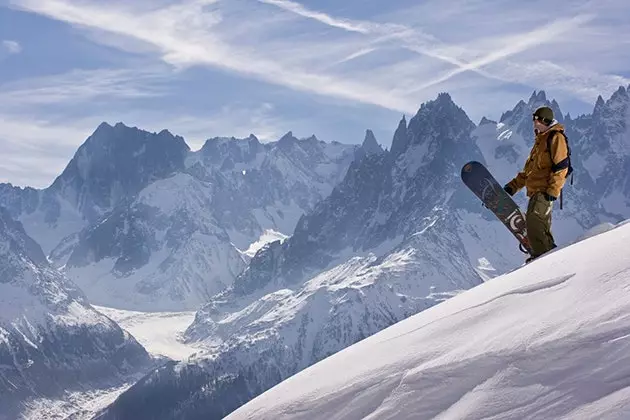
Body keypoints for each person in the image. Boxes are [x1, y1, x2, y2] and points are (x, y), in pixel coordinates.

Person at [503, 106, 570, 263]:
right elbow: (529, 172)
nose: (534, 123)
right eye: (534, 120)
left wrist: (553, 190)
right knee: (540, 225)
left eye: (537, 120)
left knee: (534, 221)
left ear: (545, 120)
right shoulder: (540, 141)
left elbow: (562, 166)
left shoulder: (555, 137)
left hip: (545, 190)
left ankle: (541, 258)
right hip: (535, 191)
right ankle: (549, 257)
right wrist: (512, 186)